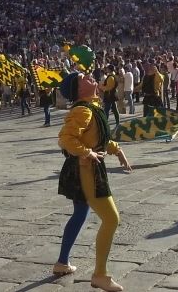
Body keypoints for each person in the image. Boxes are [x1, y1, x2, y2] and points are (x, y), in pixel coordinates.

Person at [53, 71, 131, 292]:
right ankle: (100, 275)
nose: (90, 77)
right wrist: (86, 152)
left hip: (90, 165)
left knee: (80, 214)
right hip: (86, 169)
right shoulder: (82, 110)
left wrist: (117, 150)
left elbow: (99, 138)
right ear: (78, 89)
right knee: (111, 219)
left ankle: (62, 263)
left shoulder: (92, 107)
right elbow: (65, 138)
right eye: (83, 78)